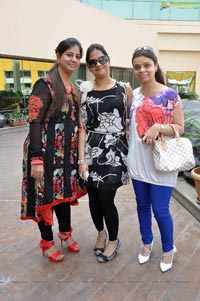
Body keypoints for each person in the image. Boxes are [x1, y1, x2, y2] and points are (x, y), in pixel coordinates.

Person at [21, 38, 87, 262]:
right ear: (57, 55)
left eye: (78, 56)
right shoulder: (45, 84)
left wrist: (79, 158)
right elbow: (35, 121)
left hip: (65, 157)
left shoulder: (72, 89)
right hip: (43, 154)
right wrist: (36, 159)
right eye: (69, 54)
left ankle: (65, 233)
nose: (74, 59)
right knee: (44, 198)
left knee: (64, 197)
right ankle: (47, 242)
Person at [127, 46, 184, 272]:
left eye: (146, 65)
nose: (142, 70)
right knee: (142, 205)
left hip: (162, 164)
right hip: (138, 161)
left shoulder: (171, 95)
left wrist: (158, 127)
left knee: (160, 210)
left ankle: (168, 248)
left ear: (155, 66)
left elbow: (180, 127)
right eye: (137, 67)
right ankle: (146, 242)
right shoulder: (134, 96)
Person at [77, 43, 132, 263]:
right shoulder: (84, 91)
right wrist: (82, 160)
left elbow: (130, 122)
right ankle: (101, 233)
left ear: (108, 60)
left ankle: (113, 240)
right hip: (91, 148)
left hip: (116, 150)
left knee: (106, 195)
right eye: (92, 62)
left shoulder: (123, 88)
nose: (98, 64)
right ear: (89, 67)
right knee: (93, 197)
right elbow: (82, 127)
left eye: (102, 59)